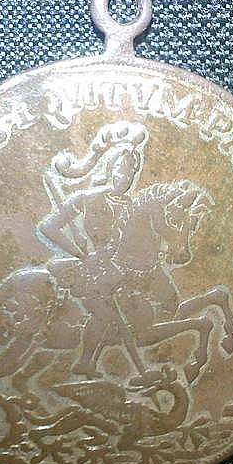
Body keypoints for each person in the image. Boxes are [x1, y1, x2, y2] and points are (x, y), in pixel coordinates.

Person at [38, 122, 149, 378]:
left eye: (130, 174)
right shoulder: (87, 198)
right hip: (84, 269)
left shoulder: (131, 206)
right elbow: (48, 227)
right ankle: (85, 362)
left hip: (115, 271)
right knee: (103, 315)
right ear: (110, 169)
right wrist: (79, 252)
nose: (125, 178)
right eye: (120, 171)